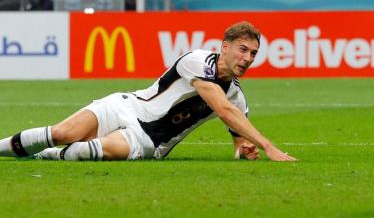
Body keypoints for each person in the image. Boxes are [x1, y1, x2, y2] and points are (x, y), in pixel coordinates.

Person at [0, 22, 296, 163]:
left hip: (148, 141)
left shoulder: (237, 96)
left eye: (254, 54)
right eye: (243, 50)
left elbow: (238, 139)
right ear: (225, 46)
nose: (247, 58)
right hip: (126, 105)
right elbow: (223, 110)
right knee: (63, 132)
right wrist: (269, 147)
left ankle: (47, 157)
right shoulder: (196, 61)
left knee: (85, 151)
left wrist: (242, 150)